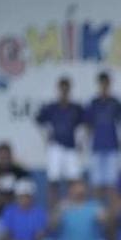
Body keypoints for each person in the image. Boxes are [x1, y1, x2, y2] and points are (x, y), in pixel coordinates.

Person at [35, 76, 86, 207]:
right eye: (62, 89)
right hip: (55, 147)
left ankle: (74, 209)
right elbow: (39, 121)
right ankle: (53, 212)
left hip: (71, 148)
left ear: (69, 90)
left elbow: (83, 126)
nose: (64, 92)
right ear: (58, 90)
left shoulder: (76, 108)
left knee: (74, 181)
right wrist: (46, 136)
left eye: (66, 89)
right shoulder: (51, 108)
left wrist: (81, 141)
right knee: (53, 181)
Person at [85, 71, 121, 199]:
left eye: (106, 83)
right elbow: (88, 125)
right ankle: (97, 213)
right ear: (98, 84)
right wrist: (88, 140)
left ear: (109, 84)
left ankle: (111, 216)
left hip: (112, 146)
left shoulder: (116, 103)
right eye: (101, 83)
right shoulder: (93, 103)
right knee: (96, 183)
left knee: (112, 183)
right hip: (97, 147)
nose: (104, 86)